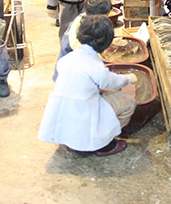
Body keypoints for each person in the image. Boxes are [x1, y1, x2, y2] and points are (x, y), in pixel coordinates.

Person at [38, 15, 137, 156]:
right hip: (84, 113)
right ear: (106, 42)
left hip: (62, 118)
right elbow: (111, 81)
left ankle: (73, 140)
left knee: (96, 94)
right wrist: (128, 78)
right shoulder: (94, 65)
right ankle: (105, 144)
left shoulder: (66, 60)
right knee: (128, 102)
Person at [53, 0, 113, 81]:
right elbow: (74, 43)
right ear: (98, 15)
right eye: (106, 15)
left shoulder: (91, 19)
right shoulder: (78, 23)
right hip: (69, 63)